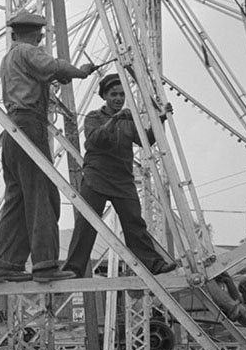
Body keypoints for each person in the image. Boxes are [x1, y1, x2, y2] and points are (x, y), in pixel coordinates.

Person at [0, 9, 97, 283]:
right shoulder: (28, 51)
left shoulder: (9, 58)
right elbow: (54, 67)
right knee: (42, 194)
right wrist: (79, 72)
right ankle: (45, 264)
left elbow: (37, 77)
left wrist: (50, 79)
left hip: (12, 128)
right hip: (29, 125)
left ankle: (6, 263)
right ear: (37, 34)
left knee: (17, 197)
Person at [63, 72, 177, 277]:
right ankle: (74, 268)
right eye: (114, 94)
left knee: (134, 222)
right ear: (105, 96)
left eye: (122, 94)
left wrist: (161, 119)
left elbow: (145, 141)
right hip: (96, 176)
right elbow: (95, 140)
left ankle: (153, 263)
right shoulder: (93, 117)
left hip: (122, 178)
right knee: (87, 222)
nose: (118, 98)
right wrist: (114, 121)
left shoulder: (128, 119)